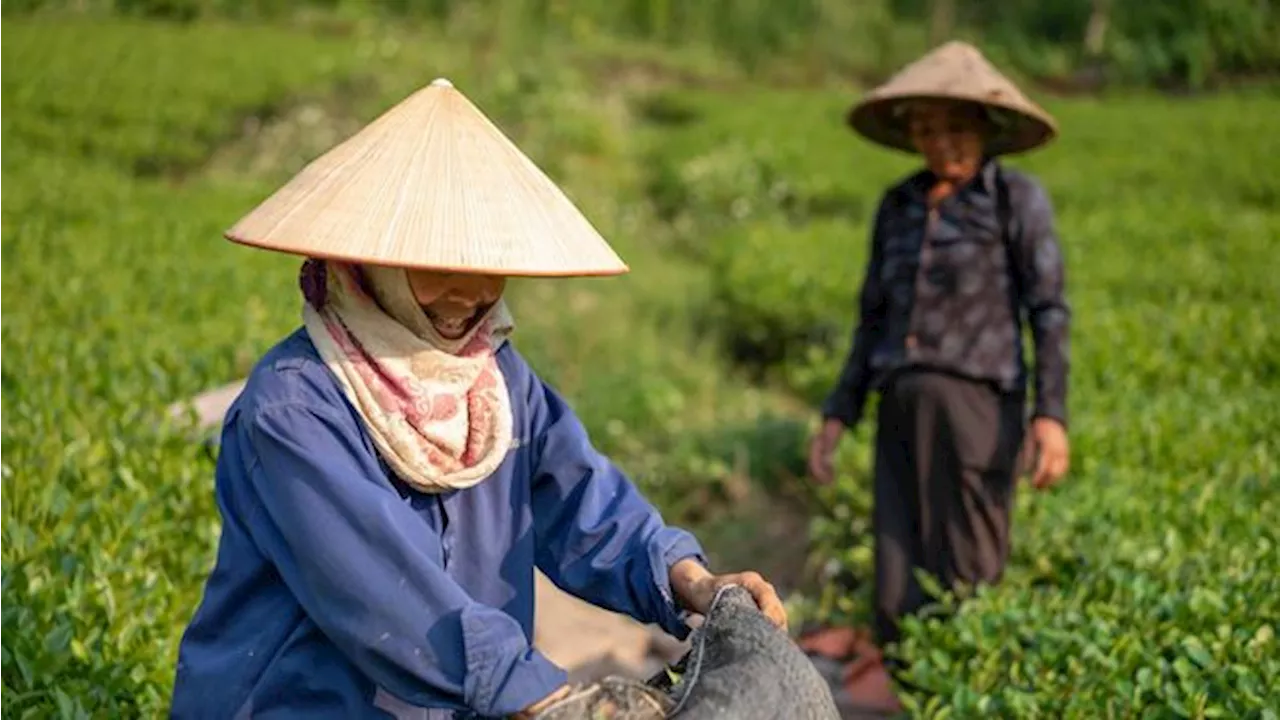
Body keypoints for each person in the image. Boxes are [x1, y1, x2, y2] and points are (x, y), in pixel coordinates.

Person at [171, 78, 786, 720]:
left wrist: (692, 582)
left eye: (486, 265)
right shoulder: (295, 407)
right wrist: (545, 698)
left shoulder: (497, 383)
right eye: (437, 266)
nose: (468, 294)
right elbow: (384, 592)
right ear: (370, 264)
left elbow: (583, 502)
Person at [802, 42, 1071, 709]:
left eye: (954, 126)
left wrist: (1051, 414)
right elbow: (871, 319)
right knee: (896, 568)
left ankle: (968, 695)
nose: (939, 141)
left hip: (980, 404)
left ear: (985, 128)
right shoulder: (898, 205)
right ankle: (908, 692)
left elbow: (1049, 310)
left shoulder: (1013, 199)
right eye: (925, 128)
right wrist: (838, 415)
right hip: (898, 402)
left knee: (969, 567)